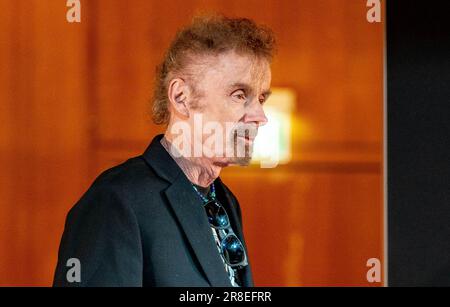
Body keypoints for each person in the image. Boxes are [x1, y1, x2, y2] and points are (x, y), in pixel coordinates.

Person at [53, 14, 276, 287]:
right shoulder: (116, 201)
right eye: (240, 95)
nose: (260, 116)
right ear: (182, 98)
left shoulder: (226, 201)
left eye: (261, 98)